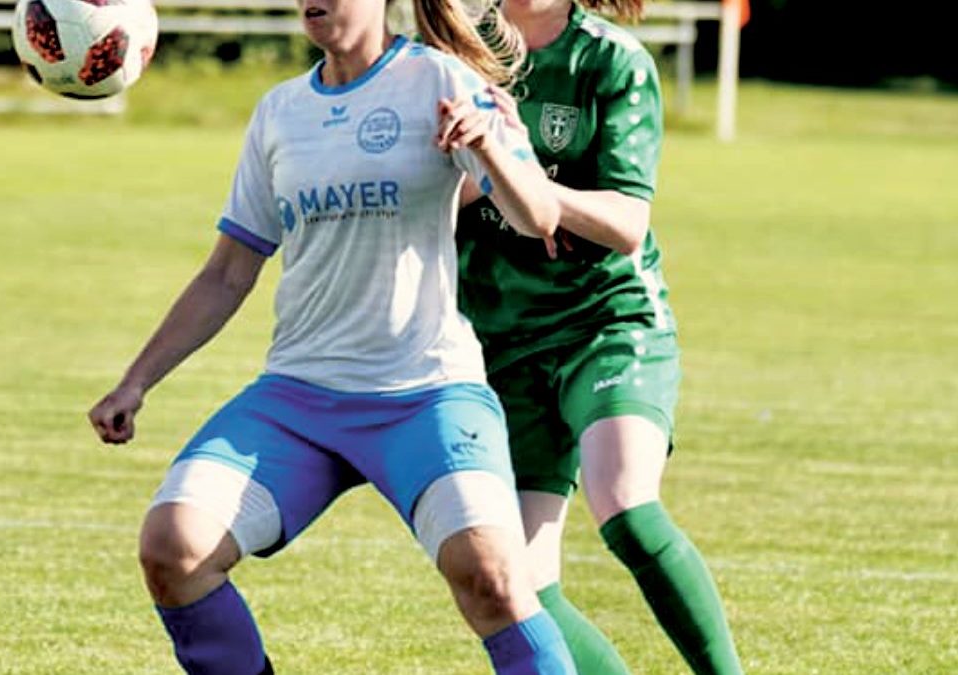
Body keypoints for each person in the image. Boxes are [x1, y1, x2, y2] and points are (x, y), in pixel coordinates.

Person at [87, 0, 580, 672]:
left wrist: (487, 144)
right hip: (300, 398)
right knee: (173, 547)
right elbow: (229, 271)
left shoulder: (442, 81)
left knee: (493, 576)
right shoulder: (281, 112)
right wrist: (136, 380)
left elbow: (539, 217)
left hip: (426, 393)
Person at [455, 1, 745, 673]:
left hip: (606, 321)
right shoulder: (459, 55)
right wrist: (478, 161)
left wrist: (533, 190)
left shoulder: (611, 61)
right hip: (504, 339)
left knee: (626, 504)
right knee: (518, 585)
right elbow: (439, 198)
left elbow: (626, 220)